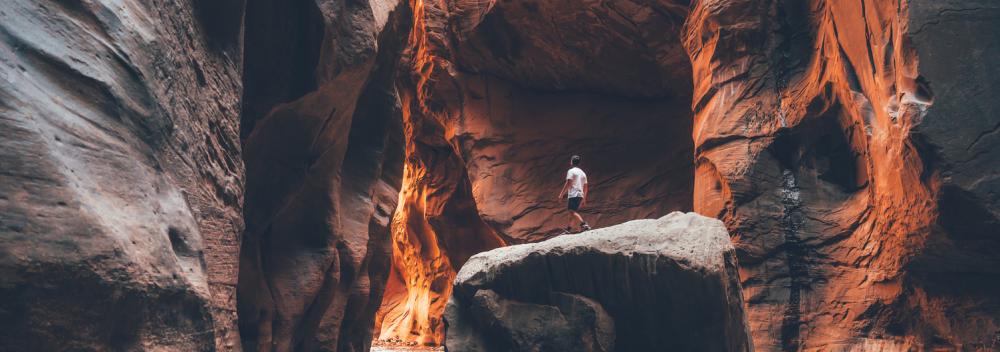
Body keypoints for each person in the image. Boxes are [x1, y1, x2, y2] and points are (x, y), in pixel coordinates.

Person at [558, 155, 591, 233]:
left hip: (573, 194)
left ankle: (583, 224)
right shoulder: (583, 173)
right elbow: (586, 187)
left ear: (571, 162)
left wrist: (561, 194)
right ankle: (569, 229)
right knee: (573, 212)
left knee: (571, 211)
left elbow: (568, 183)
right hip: (580, 195)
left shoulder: (571, 171)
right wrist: (584, 198)